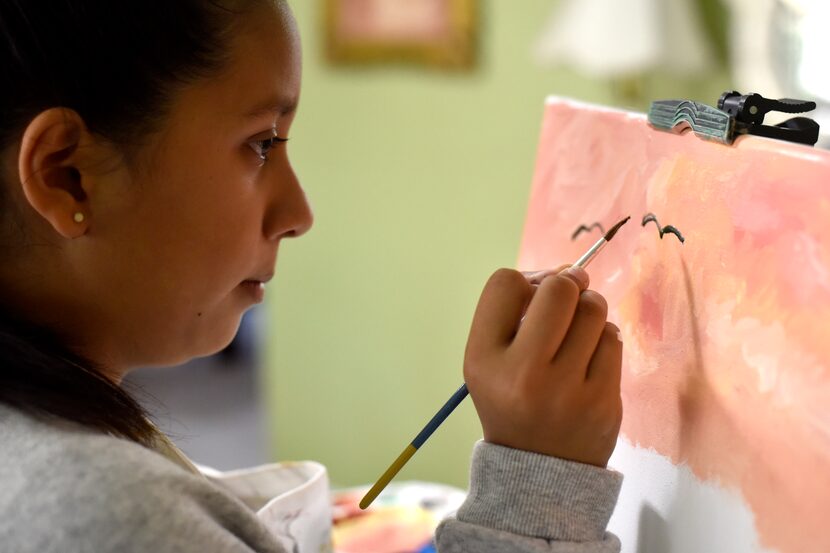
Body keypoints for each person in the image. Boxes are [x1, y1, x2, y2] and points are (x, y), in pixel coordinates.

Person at [0, 1, 624, 551]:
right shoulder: (107, 513)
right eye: (261, 143)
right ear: (67, 174)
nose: (299, 215)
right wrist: (536, 490)